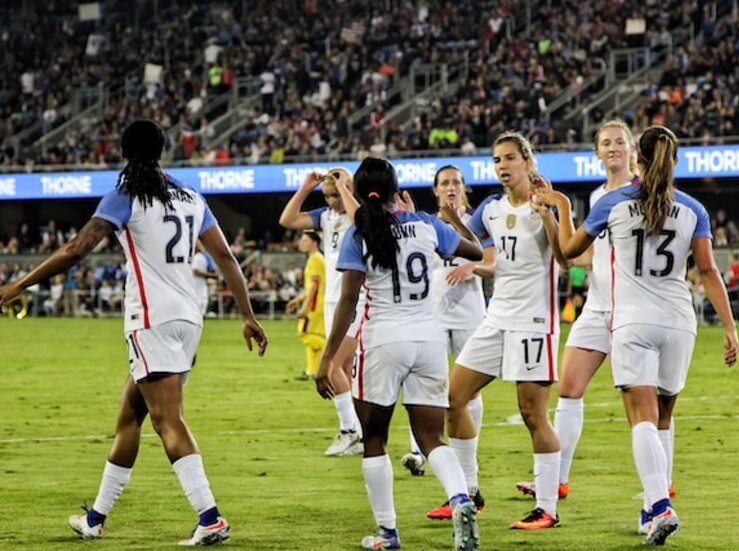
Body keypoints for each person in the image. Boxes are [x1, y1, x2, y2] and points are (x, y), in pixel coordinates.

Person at [0, 119, 269, 546]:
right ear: (161, 149)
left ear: (124, 151)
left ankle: (211, 516)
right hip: (188, 321)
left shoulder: (126, 195)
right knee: (130, 414)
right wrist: (248, 315)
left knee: (167, 420)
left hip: (151, 322)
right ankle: (95, 519)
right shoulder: (191, 196)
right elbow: (227, 258)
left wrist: (19, 284)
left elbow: (76, 249)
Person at [538, 124, 737, 545]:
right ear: (676, 161)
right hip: (680, 322)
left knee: (641, 419)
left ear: (637, 160)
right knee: (663, 418)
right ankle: (652, 507)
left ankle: (661, 506)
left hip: (633, 321)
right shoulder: (694, 209)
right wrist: (731, 328)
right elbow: (708, 271)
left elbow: (572, 254)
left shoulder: (612, 202)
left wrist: (557, 206)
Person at [316, 157, 483, 550]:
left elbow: (348, 299)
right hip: (429, 339)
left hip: (383, 340)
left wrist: (328, 359)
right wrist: (453, 219)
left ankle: (388, 533)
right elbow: (475, 252)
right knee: (432, 436)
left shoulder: (359, 233)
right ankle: (461, 499)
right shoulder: (426, 224)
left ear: (358, 193)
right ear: (396, 191)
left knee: (374, 439)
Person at [516, 120, 663, 502]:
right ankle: (558, 479)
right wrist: (551, 213)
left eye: (620, 142)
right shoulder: (599, 197)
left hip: (634, 311)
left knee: (650, 404)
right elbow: (578, 255)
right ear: (596, 152)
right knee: (569, 388)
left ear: (633, 150)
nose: (613, 147)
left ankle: (663, 485)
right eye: (605, 143)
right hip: (598, 307)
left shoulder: (647, 193)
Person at [428, 131, 568, 530]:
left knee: (532, 414)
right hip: (496, 318)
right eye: (496, 160)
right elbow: (471, 244)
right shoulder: (489, 208)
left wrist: (548, 216)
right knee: (453, 398)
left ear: (527, 160)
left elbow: (563, 261)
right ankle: (469, 493)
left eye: (509, 158)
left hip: (534, 321)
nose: (502, 166)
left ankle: (547, 509)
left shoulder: (545, 205)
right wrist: (451, 217)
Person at [402, 166, 494, 520]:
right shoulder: (424, 223)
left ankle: (466, 458)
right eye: (445, 183)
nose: (452, 187)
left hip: (471, 312)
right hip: (435, 312)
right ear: (436, 190)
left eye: (457, 182)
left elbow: (492, 263)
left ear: (464, 188)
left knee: (468, 391)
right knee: (435, 386)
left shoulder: (478, 221)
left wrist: (472, 268)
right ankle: (435, 457)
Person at [279, 168, 364, 456]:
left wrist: (345, 191)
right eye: (327, 195)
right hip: (332, 301)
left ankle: (349, 428)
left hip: (356, 299)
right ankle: (360, 434)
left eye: (335, 193)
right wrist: (305, 188)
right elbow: (287, 219)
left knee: (334, 365)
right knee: (347, 370)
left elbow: (360, 221)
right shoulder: (325, 218)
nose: (331, 200)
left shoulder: (360, 214)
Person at [286, 230, 326, 379]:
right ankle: (311, 371)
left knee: (304, 334)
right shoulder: (315, 258)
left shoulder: (316, 260)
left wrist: (304, 307)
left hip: (314, 305)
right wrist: (296, 300)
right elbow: (310, 287)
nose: (301, 243)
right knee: (312, 335)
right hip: (317, 303)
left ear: (314, 243)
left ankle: (331, 351)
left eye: (305, 241)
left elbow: (314, 287)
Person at [192, 243, 218, 317]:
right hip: (197, 287)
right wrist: (211, 276)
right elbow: (195, 272)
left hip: (200, 286)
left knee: (201, 309)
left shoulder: (201, 257)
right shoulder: (198, 257)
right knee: (199, 310)